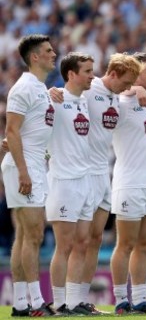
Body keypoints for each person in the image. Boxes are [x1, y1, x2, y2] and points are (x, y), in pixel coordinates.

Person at [78, 53, 141, 314]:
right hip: (82, 173)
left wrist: (135, 87)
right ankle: (68, 298)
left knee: (95, 240)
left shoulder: (117, 95)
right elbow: (64, 96)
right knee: (79, 240)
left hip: (104, 173)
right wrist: (53, 95)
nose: (128, 88)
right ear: (113, 74)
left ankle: (82, 299)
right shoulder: (89, 89)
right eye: (125, 82)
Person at [2, 35, 57, 317]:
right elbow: (11, 130)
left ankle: (21, 304)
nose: (53, 53)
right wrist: (24, 171)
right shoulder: (23, 87)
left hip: (35, 164)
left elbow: (27, 131)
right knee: (33, 233)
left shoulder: (40, 89)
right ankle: (36, 302)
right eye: (48, 51)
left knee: (25, 234)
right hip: (25, 167)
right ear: (34, 57)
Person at [109, 53, 146, 315]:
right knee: (125, 244)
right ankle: (121, 299)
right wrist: (135, 87)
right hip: (129, 182)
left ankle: (141, 298)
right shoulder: (121, 101)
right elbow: (105, 86)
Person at [45, 53, 96, 315]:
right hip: (64, 181)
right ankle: (59, 302)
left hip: (85, 180)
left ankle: (75, 302)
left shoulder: (85, 100)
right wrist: (48, 93)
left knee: (82, 243)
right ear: (71, 75)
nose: (92, 75)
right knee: (63, 245)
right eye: (87, 71)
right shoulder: (54, 100)